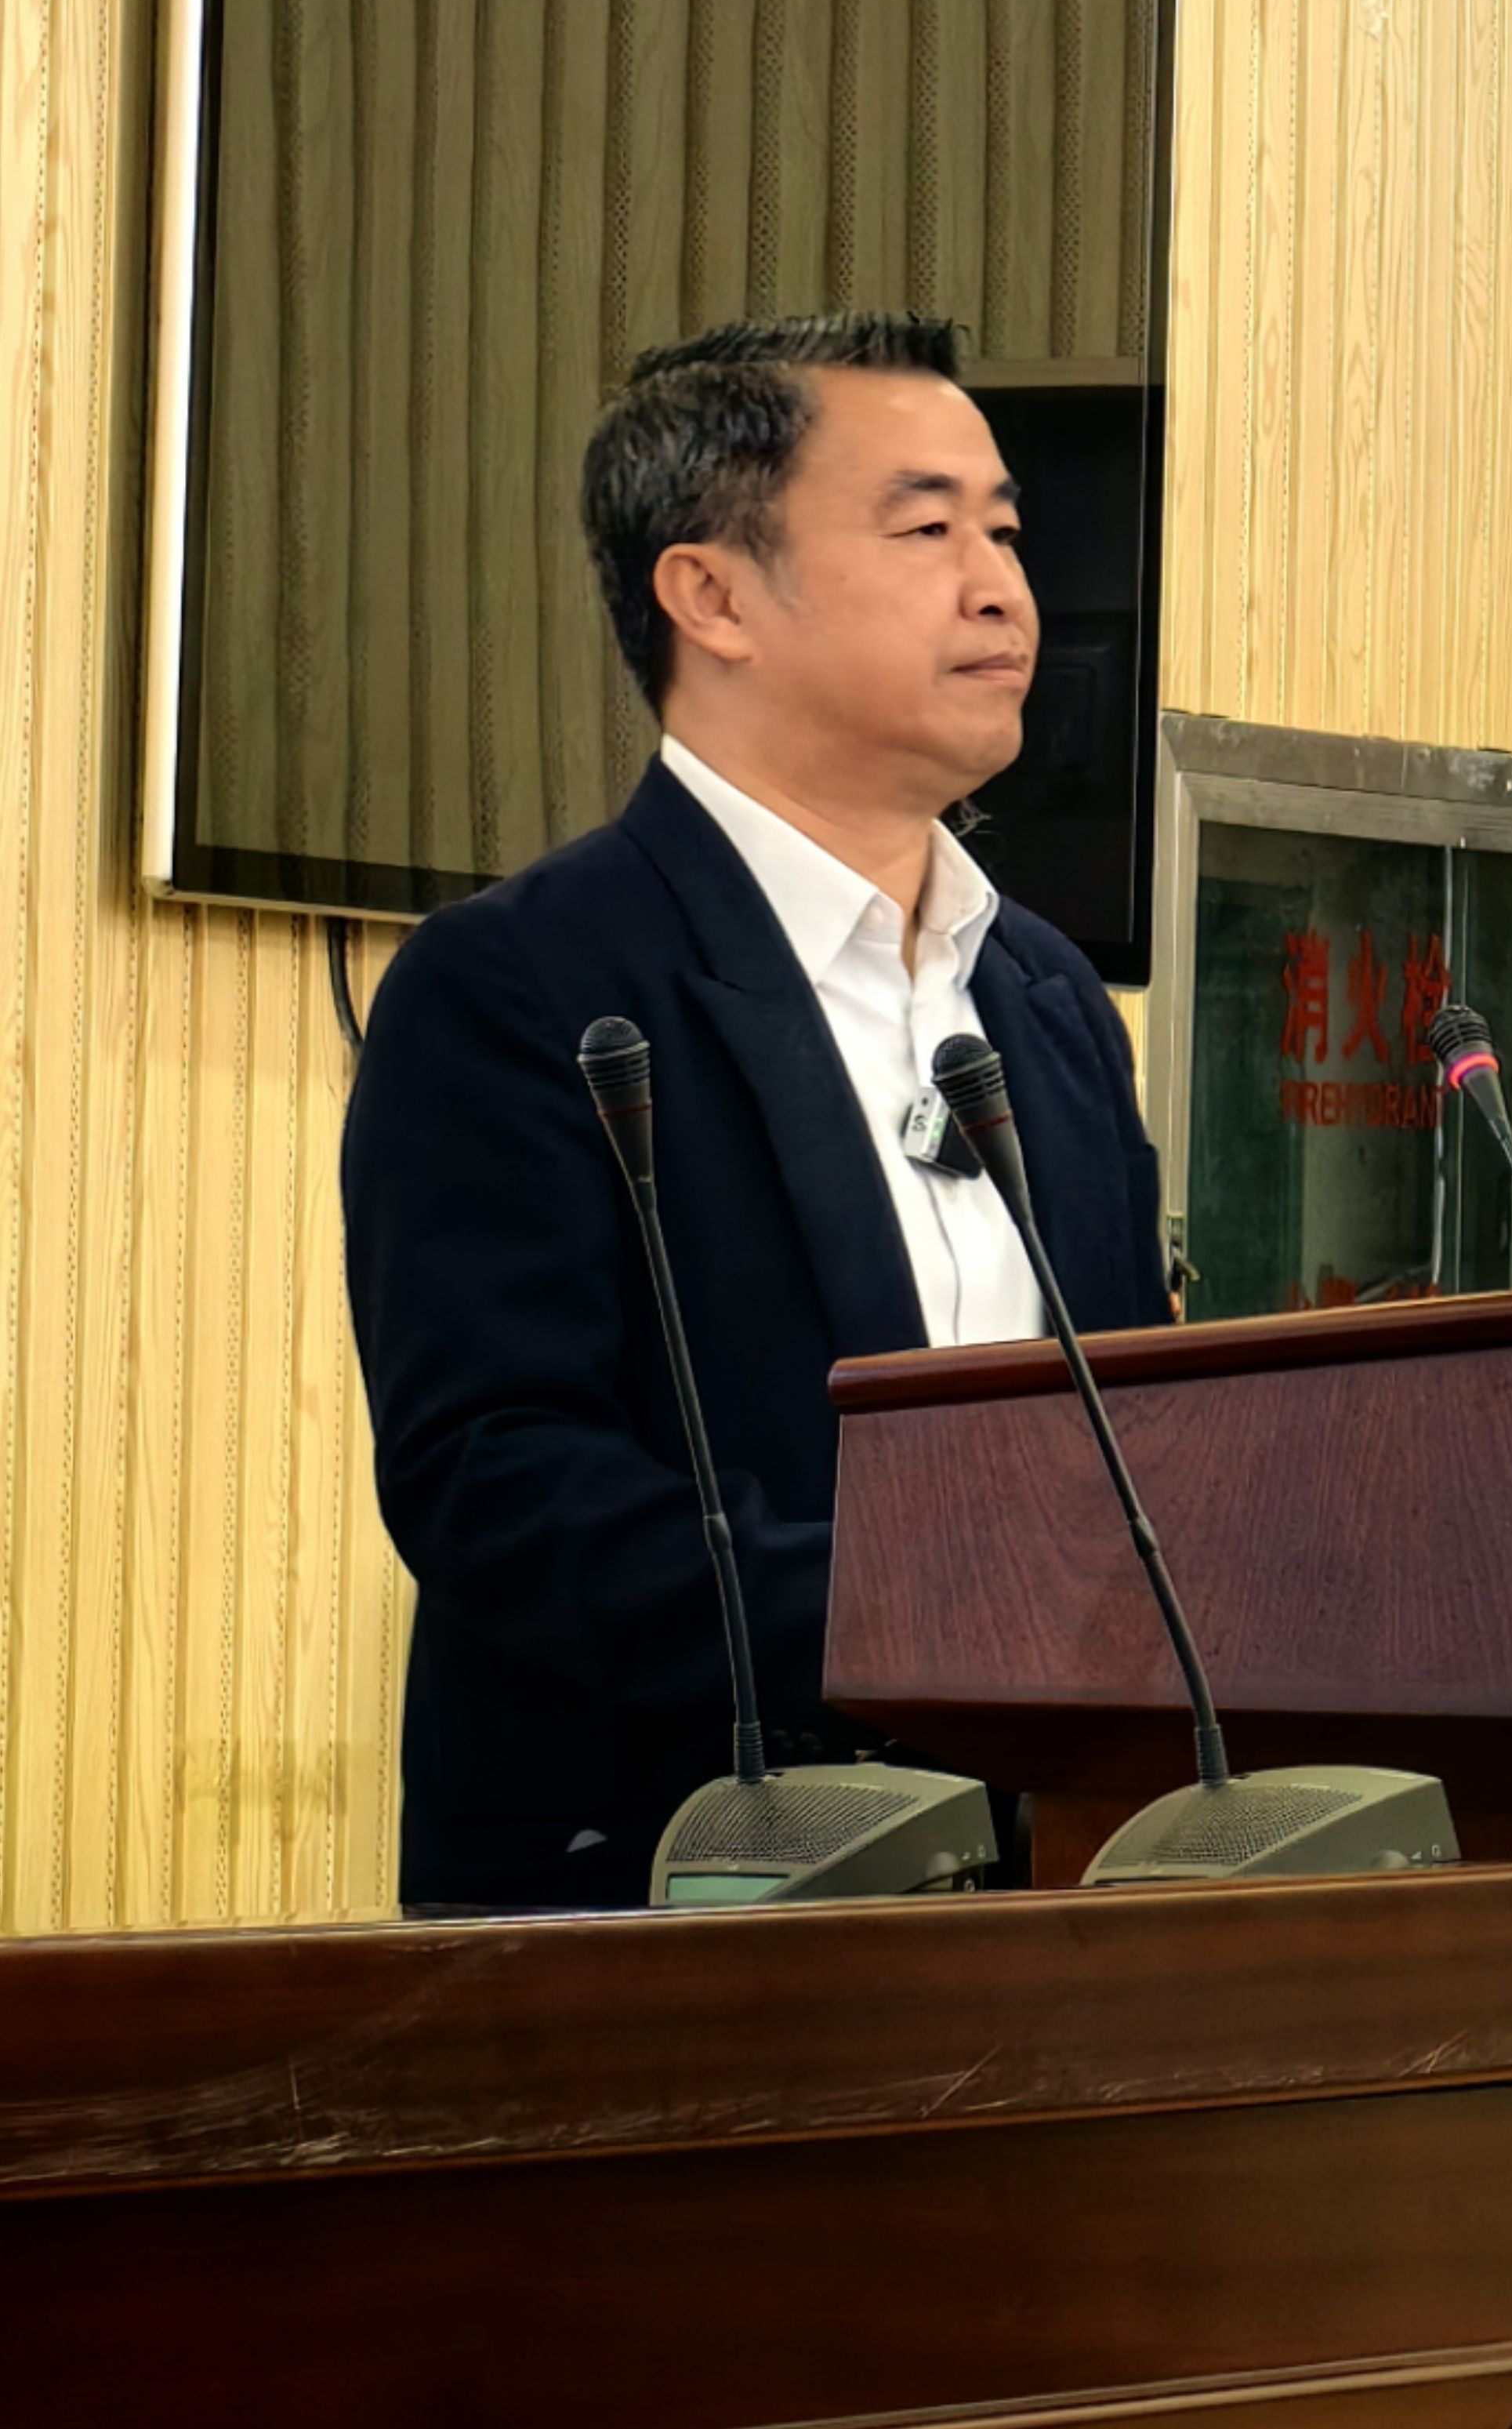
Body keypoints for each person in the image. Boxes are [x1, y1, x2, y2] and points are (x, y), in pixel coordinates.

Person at [342, 314, 1171, 1912]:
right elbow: (495, 1481)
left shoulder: (1049, 1002)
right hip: (674, 1898)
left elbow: (1137, 1433)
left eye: (1004, 531)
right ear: (710, 595)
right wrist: (937, 1617)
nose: (1001, 588)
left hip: (1059, 1889)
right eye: (926, 530)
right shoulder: (522, 985)